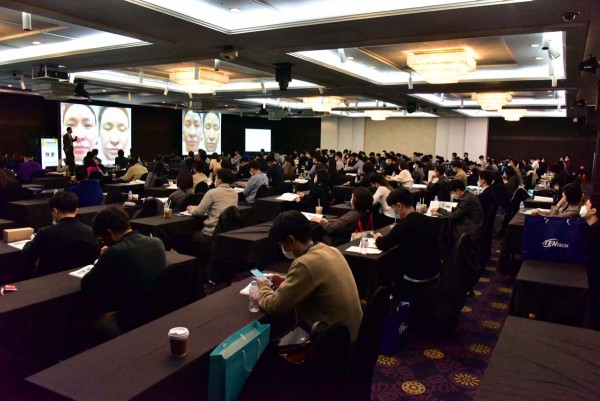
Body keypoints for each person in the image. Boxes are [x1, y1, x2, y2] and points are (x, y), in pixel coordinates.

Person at [254, 210, 363, 342]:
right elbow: (315, 281)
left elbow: (275, 306)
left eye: (282, 244)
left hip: (331, 342)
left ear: (290, 240)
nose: (282, 249)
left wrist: (264, 287)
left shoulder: (304, 263)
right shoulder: (331, 250)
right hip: (353, 334)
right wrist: (287, 281)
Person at [82, 207, 167, 333]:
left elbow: (86, 284)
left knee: (84, 320)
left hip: (129, 320)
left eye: (102, 239)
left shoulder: (114, 252)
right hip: (157, 312)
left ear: (109, 233)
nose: (103, 242)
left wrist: (103, 258)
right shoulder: (157, 242)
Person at [373, 188, 441, 297]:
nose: (394, 211)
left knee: (386, 267)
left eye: (393, 208)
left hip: (415, 276)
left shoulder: (403, 225)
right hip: (435, 272)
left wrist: (378, 238)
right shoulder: (429, 220)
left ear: (399, 206)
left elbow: (383, 244)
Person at [22, 192, 98, 276]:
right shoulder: (91, 232)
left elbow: (27, 255)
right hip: (79, 279)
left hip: (49, 279)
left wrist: (31, 242)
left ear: (55, 211)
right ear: (76, 211)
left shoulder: (45, 233)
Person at [187, 168, 238, 258]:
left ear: (219, 180)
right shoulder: (235, 193)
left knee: (188, 236)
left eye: (216, 178)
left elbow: (199, 212)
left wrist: (191, 209)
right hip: (227, 231)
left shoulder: (212, 193)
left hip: (211, 233)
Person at [583, 193, 600, 330]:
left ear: (593, 210)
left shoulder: (594, 232)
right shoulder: (590, 228)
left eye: (586, 204)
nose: (583, 207)